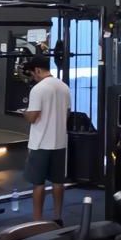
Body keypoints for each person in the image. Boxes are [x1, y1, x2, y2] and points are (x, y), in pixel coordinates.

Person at [22, 54, 71, 223]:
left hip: (40, 143)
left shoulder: (38, 89)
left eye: (32, 73)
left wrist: (24, 113)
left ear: (37, 70)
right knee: (58, 182)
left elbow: (32, 117)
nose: (32, 77)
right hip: (60, 142)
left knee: (38, 184)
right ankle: (58, 217)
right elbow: (67, 113)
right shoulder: (64, 87)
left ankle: (37, 221)